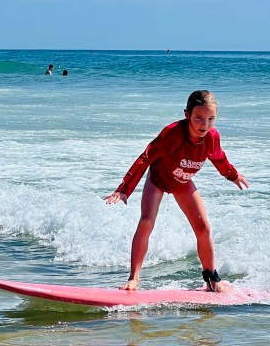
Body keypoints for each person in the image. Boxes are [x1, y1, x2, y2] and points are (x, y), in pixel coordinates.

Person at [105, 90, 249, 293]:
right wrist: (124, 190)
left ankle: (211, 279)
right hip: (158, 179)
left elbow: (218, 157)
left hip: (182, 182)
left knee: (203, 227)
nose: (204, 125)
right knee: (147, 221)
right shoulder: (172, 133)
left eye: (211, 119)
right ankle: (134, 279)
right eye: (199, 118)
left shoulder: (212, 137)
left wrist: (232, 175)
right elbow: (145, 157)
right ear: (187, 114)